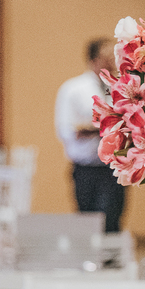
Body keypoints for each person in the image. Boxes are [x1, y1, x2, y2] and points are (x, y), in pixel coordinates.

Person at [56, 38, 123, 233]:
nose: (112, 61)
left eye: (114, 56)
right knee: (87, 221)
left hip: (113, 167)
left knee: (112, 220)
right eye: (107, 57)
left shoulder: (118, 87)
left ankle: (111, 263)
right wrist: (105, 125)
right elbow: (68, 129)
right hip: (86, 167)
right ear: (94, 60)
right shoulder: (74, 89)